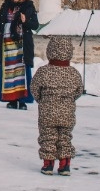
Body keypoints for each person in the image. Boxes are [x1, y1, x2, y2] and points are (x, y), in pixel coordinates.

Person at [30, 36, 84, 176]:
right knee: (65, 137)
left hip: (47, 112)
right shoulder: (74, 73)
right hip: (67, 113)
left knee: (48, 137)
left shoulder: (43, 72)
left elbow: (34, 88)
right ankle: (65, 165)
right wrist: (69, 100)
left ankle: (48, 164)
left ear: (50, 51)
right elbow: (78, 90)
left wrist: (42, 100)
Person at [0, 0, 39, 109]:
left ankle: (22, 100)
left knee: (21, 71)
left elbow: (35, 25)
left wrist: (26, 21)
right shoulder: (6, 5)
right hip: (7, 44)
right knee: (9, 72)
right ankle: (12, 99)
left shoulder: (29, 6)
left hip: (21, 44)